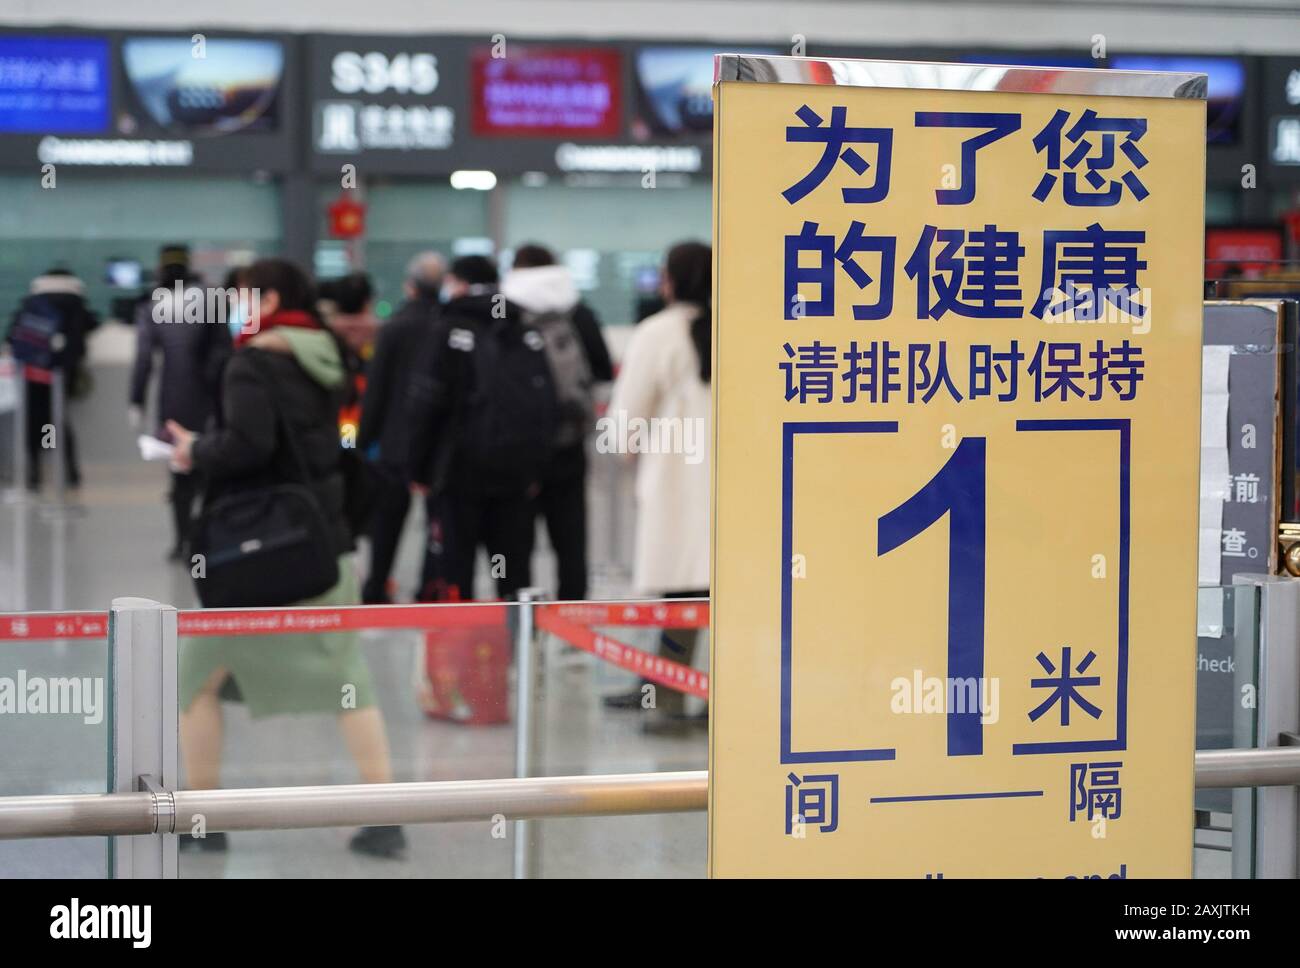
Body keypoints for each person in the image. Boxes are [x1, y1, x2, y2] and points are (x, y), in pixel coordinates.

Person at [166, 258, 405, 859]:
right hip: (324, 542)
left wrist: (197, 449)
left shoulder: (252, 362)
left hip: (262, 550)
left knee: (194, 678)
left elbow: (250, 445)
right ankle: (387, 817)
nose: (236, 308)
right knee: (347, 679)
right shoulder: (326, 352)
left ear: (268, 298)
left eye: (244, 296)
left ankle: (203, 819)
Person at [602, 242, 712, 734]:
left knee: (682, 592)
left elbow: (626, 418)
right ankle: (701, 695)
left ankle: (666, 693)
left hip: (677, 480)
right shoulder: (745, 326)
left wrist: (625, 447)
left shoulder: (659, 332)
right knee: (716, 591)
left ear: (671, 281)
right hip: (735, 482)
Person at [406, 254, 557, 602]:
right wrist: (536, 468)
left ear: (457, 283)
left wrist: (418, 468)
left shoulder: (448, 328)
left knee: (456, 566)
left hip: (458, 474)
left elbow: (426, 403)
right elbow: (547, 404)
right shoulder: (521, 326)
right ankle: (517, 646)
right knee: (509, 567)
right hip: (514, 475)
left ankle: (461, 646)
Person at [502, 244, 613, 602]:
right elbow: (602, 367)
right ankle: (573, 619)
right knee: (570, 537)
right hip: (569, 440)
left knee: (516, 542)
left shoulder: (505, 308)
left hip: (518, 446)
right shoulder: (577, 309)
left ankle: (521, 626)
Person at [129, 245, 230, 560]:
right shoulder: (211, 297)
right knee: (211, 470)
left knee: (180, 473)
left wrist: (136, 400)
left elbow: (144, 358)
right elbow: (225, 349)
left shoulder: (152, 304)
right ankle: (208, 539)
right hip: (213, 401)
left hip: (174, 402)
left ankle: (182, 542)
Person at [357, 252, 445, 603]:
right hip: (438, 442)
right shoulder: (448, 325)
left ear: (410, 286)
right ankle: (429, 587)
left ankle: (377, 584)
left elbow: (376, 389)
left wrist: (364, 442)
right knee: (436, 522)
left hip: (395, 441)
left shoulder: (394, 327)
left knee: (387, 519)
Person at [6, 267, 99, 490]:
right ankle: (68, 472)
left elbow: (13, 335)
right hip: (62, 372)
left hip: (33, 372)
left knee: (35, 422)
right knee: (56, 421)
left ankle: (36, 473)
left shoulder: (34, 301)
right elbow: (90, 326)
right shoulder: (75, 301)